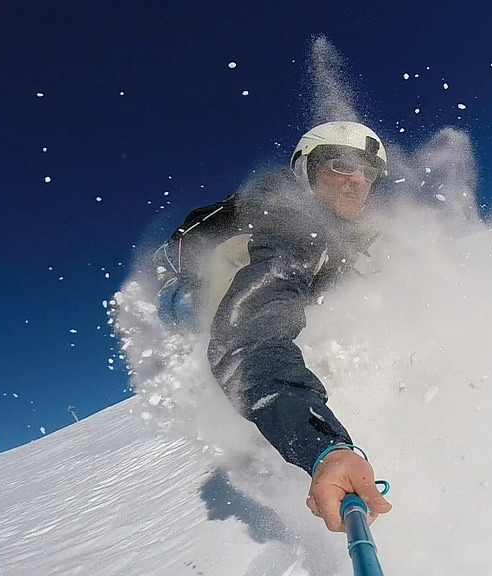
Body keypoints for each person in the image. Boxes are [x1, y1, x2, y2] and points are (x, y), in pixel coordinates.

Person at [152, 121, 393, 532]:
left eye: (368, 172)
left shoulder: (341, 241)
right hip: (219, 324)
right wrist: (324, 447)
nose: (357, 180)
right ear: (306, 171)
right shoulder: (290, 227)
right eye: (341, 165)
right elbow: (249, 345)